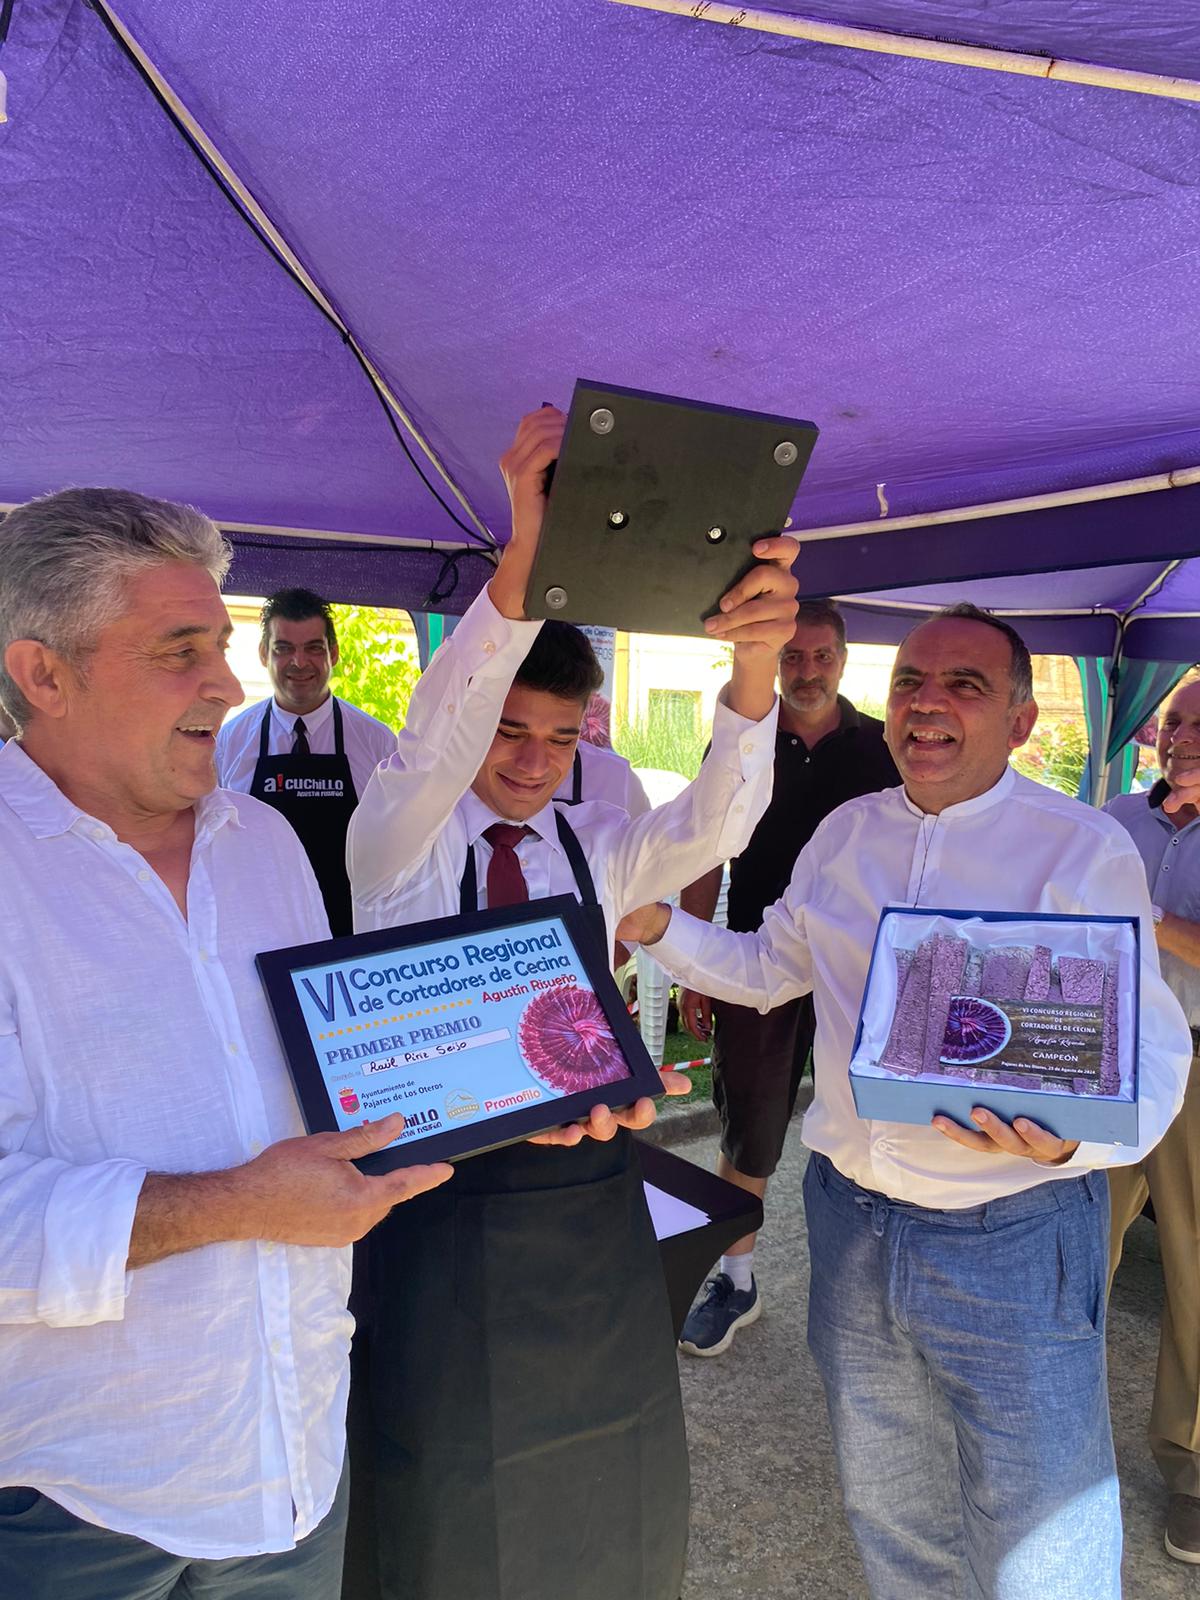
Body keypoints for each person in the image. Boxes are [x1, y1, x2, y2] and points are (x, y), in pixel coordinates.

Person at [617, 601, 1192, 1600]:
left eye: (964, 685)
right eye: (911, 683)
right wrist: (656, 920)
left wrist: (1076, 1147)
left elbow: (1153, 1051)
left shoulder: (1082, 849)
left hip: (1011, 1227)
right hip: (850, 1219)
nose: (927, 704)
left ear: (1019, 721)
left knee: (1040, 1533)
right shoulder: (846, 834)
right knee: (890, 1505)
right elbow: (764, 964)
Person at [344, 403, 799, 1600]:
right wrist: (521, 563)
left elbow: (717, 822)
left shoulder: (598, 842)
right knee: (438, 1463)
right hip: (429, 1200)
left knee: (605, 1462)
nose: (534, 758)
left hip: (581, 1190)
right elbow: (438, 736)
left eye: (560, 734)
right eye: (511, 729)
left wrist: (753, 662)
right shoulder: (395, 836)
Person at [0, 488, 451, 1600]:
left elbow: (336, 1087)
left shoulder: (267, 850)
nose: (229, 683)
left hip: (294, 1468)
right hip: (80, 1505)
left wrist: (526, 1093)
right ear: (42, 672)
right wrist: (236, 1204)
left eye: (222, 644)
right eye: (179, 650)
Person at [676, 599, 899, 1355]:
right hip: (756, 957)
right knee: (753, 1126)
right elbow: (704, 851)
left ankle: (882, 1290)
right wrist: (693, 964)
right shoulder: (741, 743)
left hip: (865, 969)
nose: (807, 671)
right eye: (792, 658)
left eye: (821, 656)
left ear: (844, 658)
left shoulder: (885, 746)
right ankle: (735, 1281)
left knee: (879, 1121)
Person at [1106, 675, 1200, 1563]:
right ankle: (1053, 1431)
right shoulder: (1112, 820)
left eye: (1199, 724)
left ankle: (1193, 1473)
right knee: (1066, 1246)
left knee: (1195, 1274)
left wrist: (1152, 919)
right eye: (1173, 721)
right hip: (1112, 1052)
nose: (1181, 737)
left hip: (1199, 1065)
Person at [216, 588, 397, 935]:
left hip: (352, 931)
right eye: (283, 649)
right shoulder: (230, 741)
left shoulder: (376, 742)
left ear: (334, 653)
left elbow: (395, 848)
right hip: (261, 931)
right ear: (262, 655)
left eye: (313, 648)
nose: (299, 663)